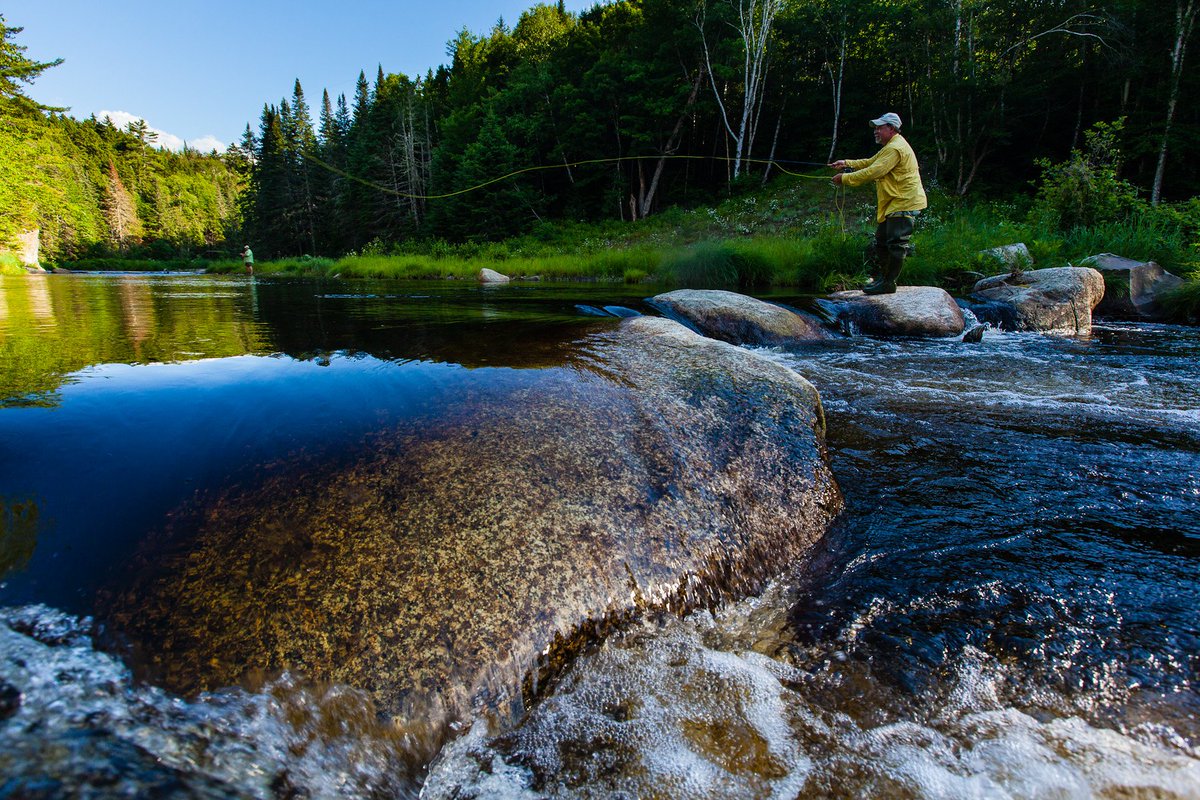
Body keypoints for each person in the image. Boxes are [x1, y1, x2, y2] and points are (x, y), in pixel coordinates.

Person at [829, 112, 927, 295]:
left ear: (891, 129)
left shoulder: (895, 148)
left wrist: (845, 178)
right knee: (882, 240)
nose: (876, 131)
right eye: (875, 128)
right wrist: (846, 163)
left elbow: (874, 171)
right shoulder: (890, 146)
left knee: (896, 243)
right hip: (895, 202)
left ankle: (889, 283)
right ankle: (884, 279)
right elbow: (871, 162)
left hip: (904, 201)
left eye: (879, 128)